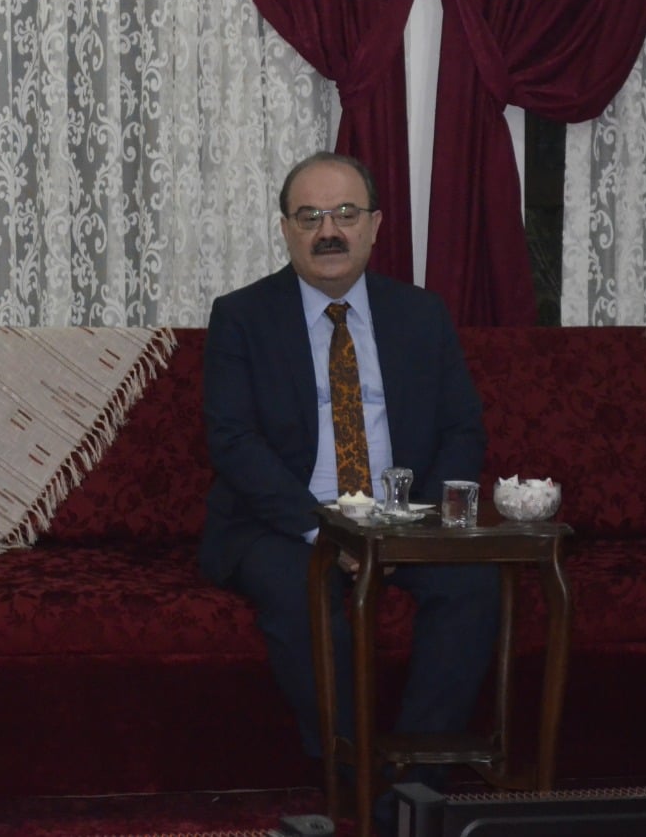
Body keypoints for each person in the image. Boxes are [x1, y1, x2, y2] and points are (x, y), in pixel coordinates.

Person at [199, 152, 498, 827]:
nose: (328, 231)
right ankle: (352, 775)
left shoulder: (421, 315)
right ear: (285, 229)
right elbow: (233, 441)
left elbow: (463, 429)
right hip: (283, 523)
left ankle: (412, 793)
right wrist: (330, 533)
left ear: (375, 225)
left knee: (474, 584)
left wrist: (410, 527)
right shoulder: (241, 316)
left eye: (344, 214)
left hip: (403, 517)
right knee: (299, 592)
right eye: (309, 217)